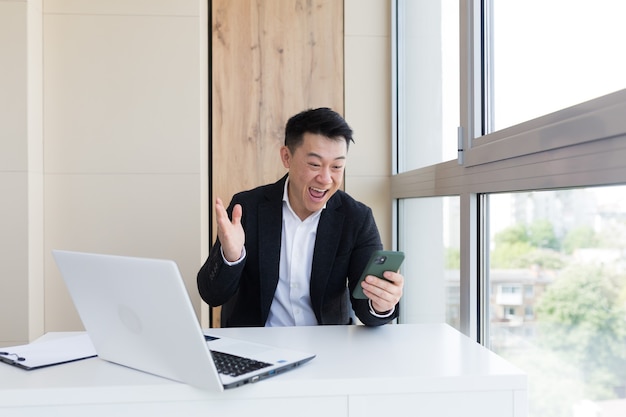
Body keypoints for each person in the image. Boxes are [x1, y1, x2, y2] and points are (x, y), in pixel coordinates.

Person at [197, 107, 404, 327]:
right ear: (287, 157)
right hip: (257, 344)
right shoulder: (247, 208)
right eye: (314, 164)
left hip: (327, 345)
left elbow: (367, 310)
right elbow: (212, 295)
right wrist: (231, 257)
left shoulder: (357, 218)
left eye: (337, 166)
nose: (325, 178)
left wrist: (382, 303)